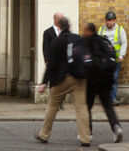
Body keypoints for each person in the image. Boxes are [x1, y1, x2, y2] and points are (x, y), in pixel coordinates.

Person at [35, 14, 92, 147]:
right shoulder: (77, 38)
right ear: (69, 26)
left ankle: (44, 135)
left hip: (61, 79)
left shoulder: (57, 42)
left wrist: (44, 82)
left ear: (59, 27)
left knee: (53, 106)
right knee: (81, 107)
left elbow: (51, 65)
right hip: (79, 78)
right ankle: (85, 138)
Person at [85, 18, 120, 138]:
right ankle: (116, 127)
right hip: (106, 80)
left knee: (87, 107)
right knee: (107, 106)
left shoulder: (87, 43)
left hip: (92, 81)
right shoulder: (104, 41)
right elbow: (113, 58)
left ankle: (87, 133)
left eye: (85, 31)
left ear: (89, 31)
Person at [99, 10, 128, 138]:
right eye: (107, 20)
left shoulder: (120, 30)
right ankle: (108, 98)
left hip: (115, 60)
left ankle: (112, 98)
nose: (109, 22)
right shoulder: (101, 30)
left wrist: (121, 55)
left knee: (114, 78)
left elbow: (124, 43)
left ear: (114, 20)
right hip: (104, 61)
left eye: (110, 20)